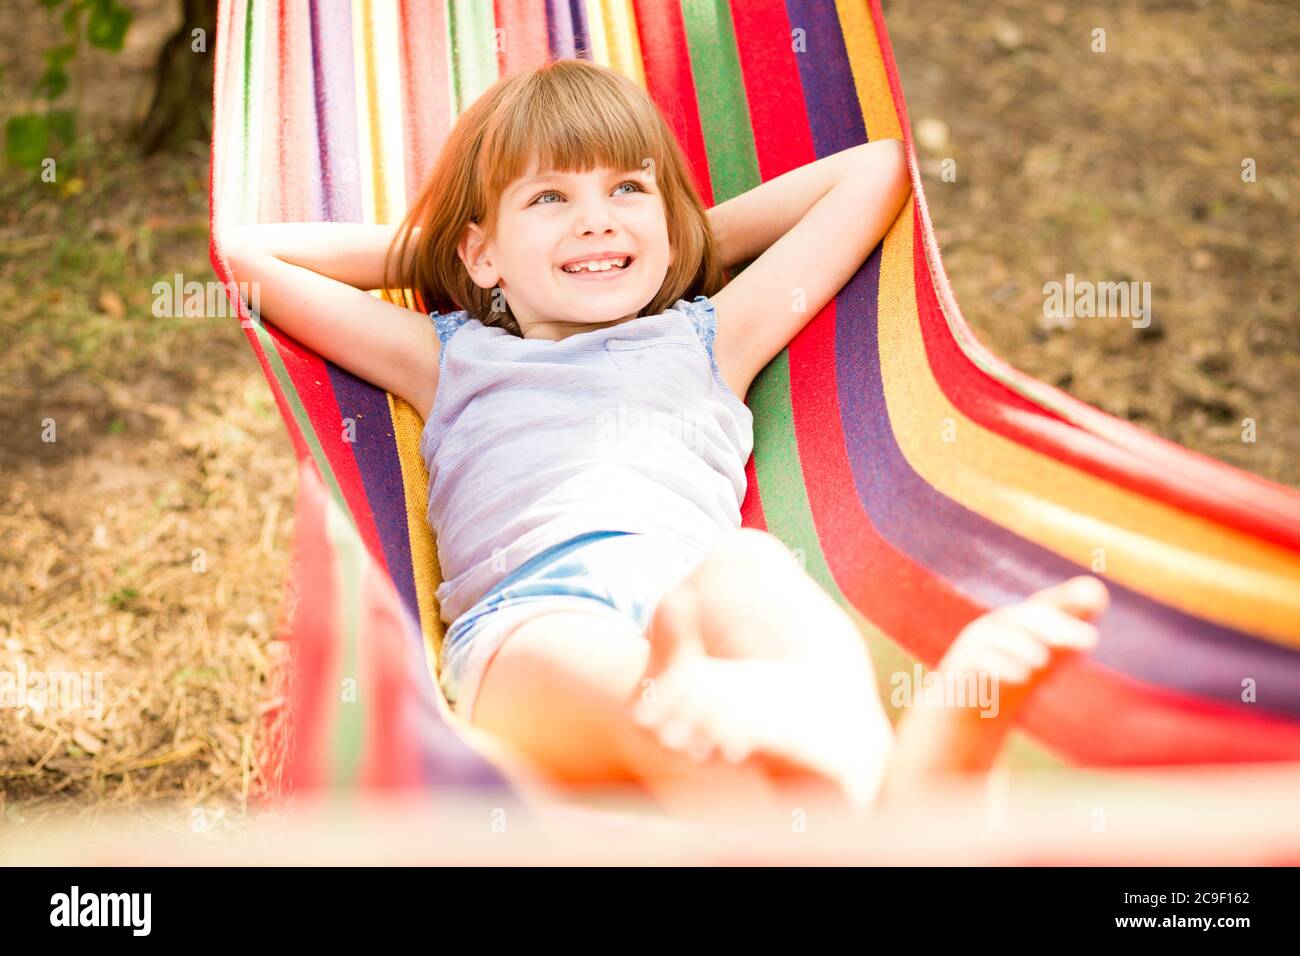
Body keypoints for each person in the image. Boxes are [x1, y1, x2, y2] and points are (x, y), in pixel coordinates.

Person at [222, 58, 1108, 820]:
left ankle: (861, 771)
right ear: (482, 254)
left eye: (627, 190)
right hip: (535, 620)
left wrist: (682, 238)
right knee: (648, 706)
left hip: (696, 598)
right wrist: (451, 259)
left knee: (759, 577)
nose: (598, 220)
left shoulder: (710, 333)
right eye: (551, 198)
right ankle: (891, 799)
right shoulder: (445, 358)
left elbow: (876, 171)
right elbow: (248, 256)